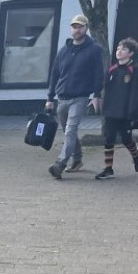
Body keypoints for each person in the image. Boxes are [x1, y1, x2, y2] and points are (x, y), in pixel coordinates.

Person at [45, 14, 105, 179]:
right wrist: (50, 97)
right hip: (61, 97)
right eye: (74, 26)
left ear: (86, 28)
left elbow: (98, 74)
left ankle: (60, 164)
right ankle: (77, 159)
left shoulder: (94, 49)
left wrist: (96, 95)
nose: (77, 29)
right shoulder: (63, 51)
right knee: (67, 131)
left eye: (80, 27)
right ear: (71, 29)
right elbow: (55, 74)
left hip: (80, 97)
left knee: (70, 130)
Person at [95, 37, 138, 178]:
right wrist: (96, 98)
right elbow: (103, 86)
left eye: (123, 49)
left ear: (130, 53)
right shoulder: (111, 69)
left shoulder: (133, 71)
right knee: (108, 138)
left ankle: (136, 156)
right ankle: (108, 169)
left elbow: (134, 94)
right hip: (110, 111)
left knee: (126, 140)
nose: (119, 51)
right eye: (118, 48)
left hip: (125, 113)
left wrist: (132, 113)